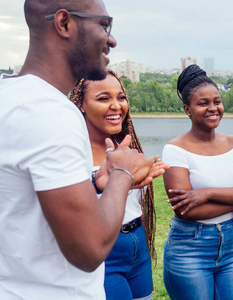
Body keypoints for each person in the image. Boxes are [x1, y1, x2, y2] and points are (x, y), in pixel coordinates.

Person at [0, 1, 165, 299]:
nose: (111, 39)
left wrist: (94, 183)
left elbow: (27, 199)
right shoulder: (49, 111)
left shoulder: (0, 97)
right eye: (104, 25)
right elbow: (89, 249)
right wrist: (121, 174)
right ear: (64, 23)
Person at [161, 64, 233, 300]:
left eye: (217, 101)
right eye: (202, 103)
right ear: (187, 109)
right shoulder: (175, 149)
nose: (212, 108)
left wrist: (206, 193)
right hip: (189, 248)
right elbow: (186, 211)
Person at [70, 70, 164, 300]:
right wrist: (101, 183)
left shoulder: (127, 150)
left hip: (137, 248)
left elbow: (135, 206)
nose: (116, 105)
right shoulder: (70, 152)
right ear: (81, 104)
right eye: (104, 98)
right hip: (103, 255)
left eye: (121, 97)